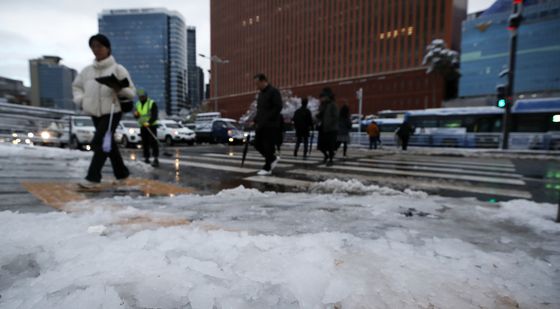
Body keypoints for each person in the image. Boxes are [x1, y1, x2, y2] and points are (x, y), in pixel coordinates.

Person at [72, 33, 135, 188]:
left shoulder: (118, 69)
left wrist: (118, 88)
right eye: (93, 46)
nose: (96, 49)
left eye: (100, 46)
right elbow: (77, 87)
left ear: (108, 48)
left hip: (113, 110)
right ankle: (122, 174)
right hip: (94, 112)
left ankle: (93, 178)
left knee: (101, 141)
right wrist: (81, 100)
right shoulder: (86, 71)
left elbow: (131, 91)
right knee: (109, 144)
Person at [253, 73, 282, 176]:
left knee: (267, 146)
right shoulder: (261, 94)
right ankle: (272, 158)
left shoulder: (274, 92)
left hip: (271, 125)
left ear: (263, 81)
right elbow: (260, 110)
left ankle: (267, 167)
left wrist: (267, 118)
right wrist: (256, 119)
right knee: (257, 144)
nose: (256, 86)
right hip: (261, 124)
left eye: (257, 83)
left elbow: (278, 107)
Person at [134, 88, 159, 167]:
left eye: (142, 96)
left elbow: (154, 115)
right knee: (145, 143)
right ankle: (146, 158)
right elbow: (137, 115)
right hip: (143, 126)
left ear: (146, 96)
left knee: (153, 142)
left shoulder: (151, 103)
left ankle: (155, 158)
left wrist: (149, 123)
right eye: (140, 97)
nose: (141, 98)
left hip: (151, 126)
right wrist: (136, 115)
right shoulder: (137, 104)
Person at [316, 87, 338, 166]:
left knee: (330, 145)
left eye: (323, 97)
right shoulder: (322, 105)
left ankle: (331, 159)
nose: (322, 99)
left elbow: (336, 116)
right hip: (323, 128)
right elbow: (320, 115)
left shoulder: (332, 105)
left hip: (331, 128)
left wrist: (330, 124)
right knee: (321, 146)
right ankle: (326, 156)